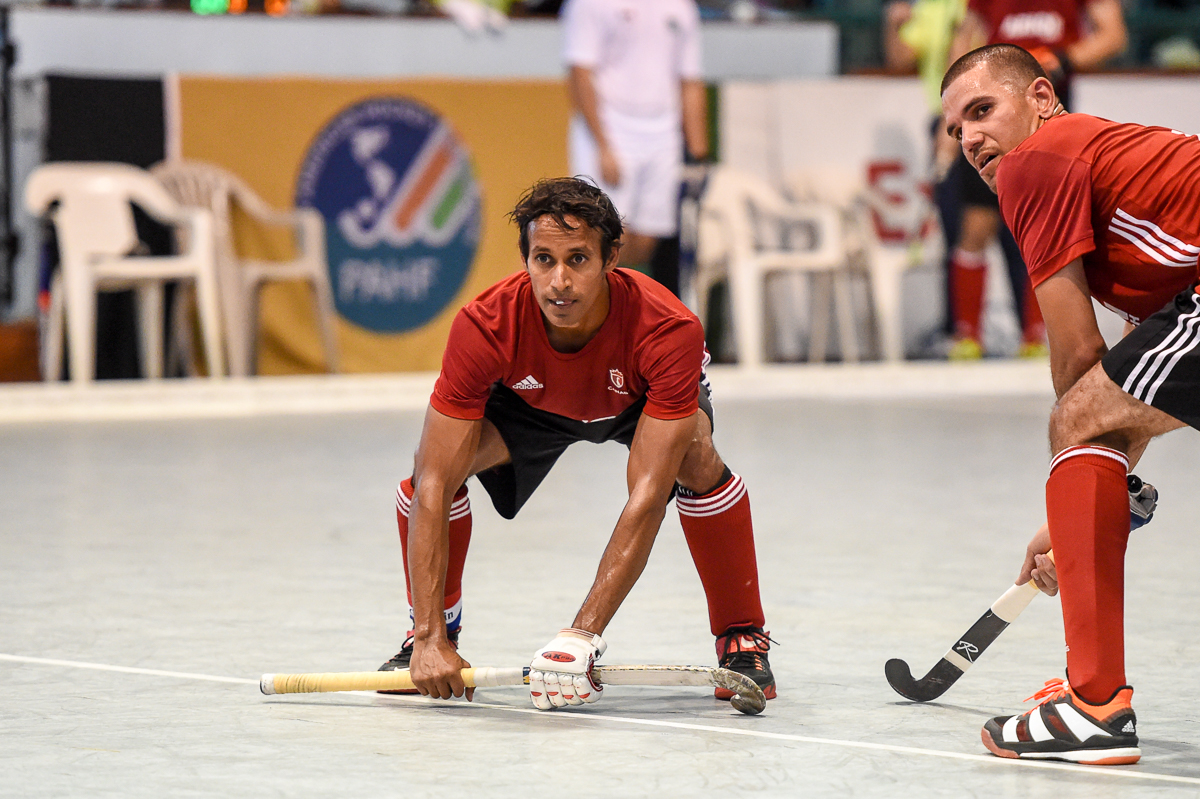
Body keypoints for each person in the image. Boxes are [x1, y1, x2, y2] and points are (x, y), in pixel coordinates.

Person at [377, 177, 775, 710]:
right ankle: (429, 634)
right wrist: (429, 640)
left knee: (696, 457)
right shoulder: (483, 324)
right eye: (543, 260)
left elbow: (648, 495)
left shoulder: (668, 329)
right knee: (434, 468)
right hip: (529, 408)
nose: (559, 281)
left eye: (578, 260)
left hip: (635, 401)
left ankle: (742, 638)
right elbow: (431, 483)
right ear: (525, 261)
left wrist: (580, 636)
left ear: (612, 257)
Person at [941, 43, 1199, 764]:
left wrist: (1075, 500)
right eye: (956, 127)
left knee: (1072, 417)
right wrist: (1086, 506)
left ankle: (1094, 703)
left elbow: (1079, 366)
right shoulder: (1114, 178)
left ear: (1043, 100)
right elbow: (1131, 388)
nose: (970, 139)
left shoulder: (1038, 161)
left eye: (983, 110)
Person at [944, 0, 1126, 360]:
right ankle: (966, 336)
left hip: (1043, 108)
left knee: (1046, 225)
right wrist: (949, 111)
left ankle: (1037, 335)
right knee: (977, 223)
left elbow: (1113, 36)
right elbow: (964, 40)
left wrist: (1060, 61)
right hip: (986, 108)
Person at [560, 0, 709, 282]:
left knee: (645, 241)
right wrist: (603, 145)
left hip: (663, 131)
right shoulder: (589, 4)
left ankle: (626, 307)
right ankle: (597, 316)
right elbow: (579, 74)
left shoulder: (681, 7)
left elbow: (690, 80)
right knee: (603, 235)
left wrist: (699, 155)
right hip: (611, 127)